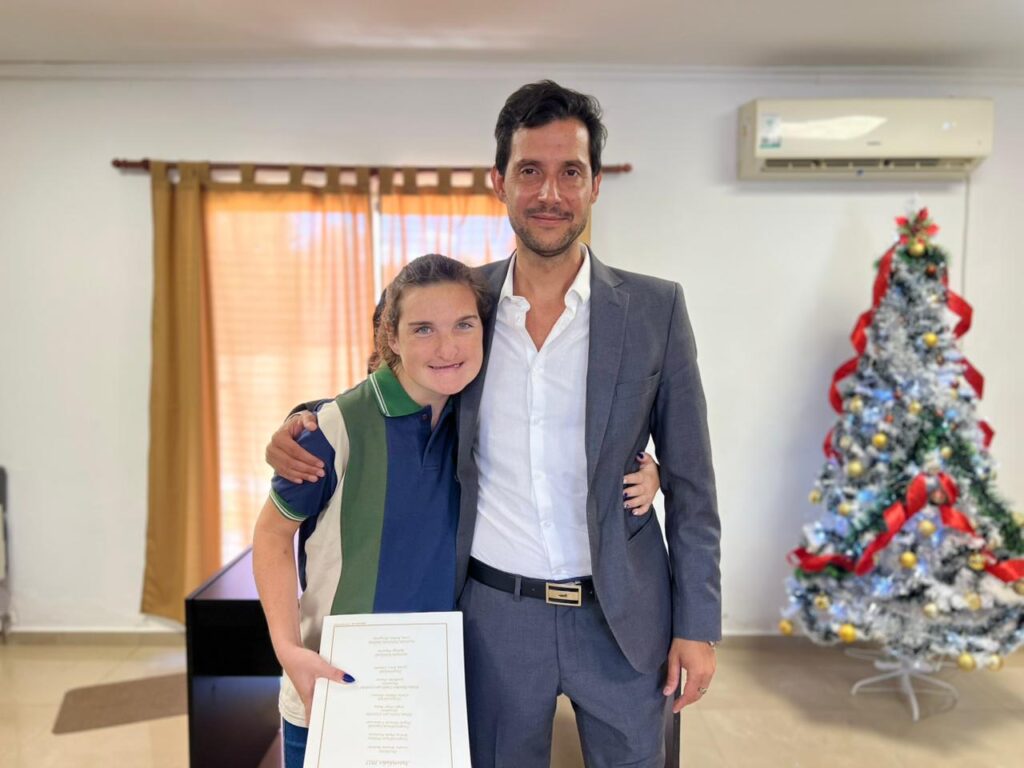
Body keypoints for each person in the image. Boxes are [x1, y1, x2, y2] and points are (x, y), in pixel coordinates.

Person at [268, 80, 720, 768]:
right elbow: (392, 378)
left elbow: (693, 484)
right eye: (529, 171)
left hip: (625, 616)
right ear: (498, 183)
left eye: (571, 172)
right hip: (496, 618)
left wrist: (698, 625)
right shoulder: (465, 302)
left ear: (596, 184)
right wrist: (301, 421)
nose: (550, 193)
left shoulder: (655, 309)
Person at [256, 253, 662, 768]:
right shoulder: (331, 428)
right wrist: (287, 649)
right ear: (391, 336)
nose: (447, 348)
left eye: (464, 325)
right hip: (332, 685)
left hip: (432, 687)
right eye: (423, 329)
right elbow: (271, 536)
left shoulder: (472, 417)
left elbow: (552, 452)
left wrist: (648, 469)